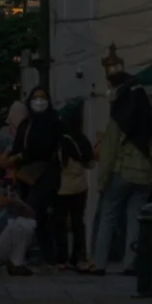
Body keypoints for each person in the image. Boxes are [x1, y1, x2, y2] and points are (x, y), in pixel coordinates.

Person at [92, 72, 152, 269]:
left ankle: (99, 263)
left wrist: (102, 180)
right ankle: (130, 263)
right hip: (144, 177)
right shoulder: (150, 118)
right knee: (135, 219)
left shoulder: (118, 118)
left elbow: (109, 153)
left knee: (108, 216)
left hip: (120, 173)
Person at [9, 86, 66, 262]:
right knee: (32, 213)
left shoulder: (53, 121)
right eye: (35, 98)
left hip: (45, 174)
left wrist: (20, 156)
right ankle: (39, 253)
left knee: (35, 210)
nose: (39, 101)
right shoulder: (27, 124)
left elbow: (43, 147)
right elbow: (18, 145)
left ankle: (49, 254)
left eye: (43, 98)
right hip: (25, 174)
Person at [52, 102, 95, 270]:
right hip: (80, 186)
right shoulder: (82, 139)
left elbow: (57, 165)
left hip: (62, 187)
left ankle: (61, 258)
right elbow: (91, 164)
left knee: (60, 223)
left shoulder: (61, 140)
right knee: (78, 222)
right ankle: (77, 257)